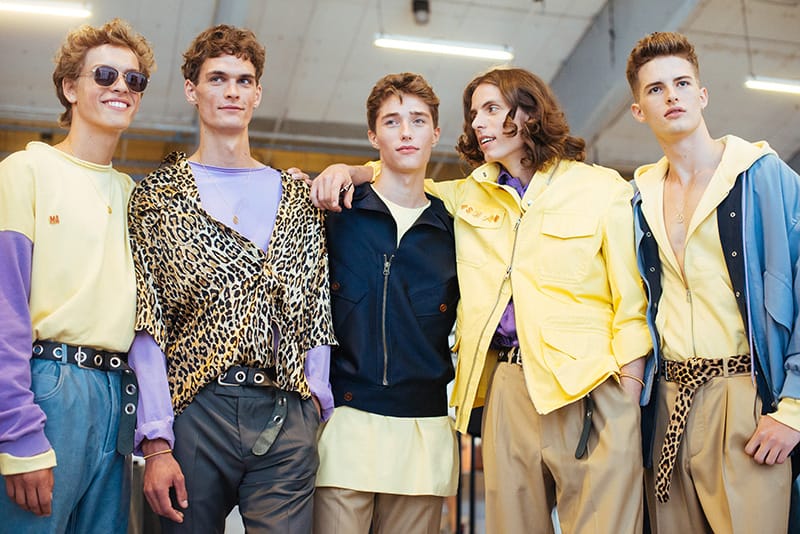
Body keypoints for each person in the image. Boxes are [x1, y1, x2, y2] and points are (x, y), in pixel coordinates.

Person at [312, 67, 652, 534]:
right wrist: (349, 170)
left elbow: (632, 304)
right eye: (474, 114)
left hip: (589, 385)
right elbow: (404, 178)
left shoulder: (601, 188)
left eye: (491, 110)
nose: (477, 123)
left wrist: (627, 398)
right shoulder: (469, 195)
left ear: (529, 112)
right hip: (507, 385)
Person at [127, 25, 335, 533]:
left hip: (286, 410)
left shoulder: (296, 199)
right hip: (196, 409)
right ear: (191, 90)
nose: (232, 91)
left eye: (244, 81)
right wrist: (156, 440)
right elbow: (146, 322)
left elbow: (317, 308)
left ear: (258, 93)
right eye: (217, 78)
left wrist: (316, 398)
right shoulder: (157, 199)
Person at [626, 31, 800, 533]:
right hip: (668, 403)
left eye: (682, 83)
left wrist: (793, 407)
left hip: (746, 396)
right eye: (656, 89)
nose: (672, 96)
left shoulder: (764, 176)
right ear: (639, 110)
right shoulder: (636, 199)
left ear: (702, 95)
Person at [0, 18, 154, 533]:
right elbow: (5, 310)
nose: (121, 87)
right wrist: (19, 433)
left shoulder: (135, 197)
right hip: (48, 386)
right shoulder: (25, 171)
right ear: (69, 87)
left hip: (117, 397)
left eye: (134, 80)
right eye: (105, 75)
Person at [313, 73, 459, 534]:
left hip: (423, 432)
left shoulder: (455, 229)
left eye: (418, 121)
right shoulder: (338, 214)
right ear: (373, 136)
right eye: (392, 121)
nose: (406, 132)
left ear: (436, 133)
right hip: (344, 426)